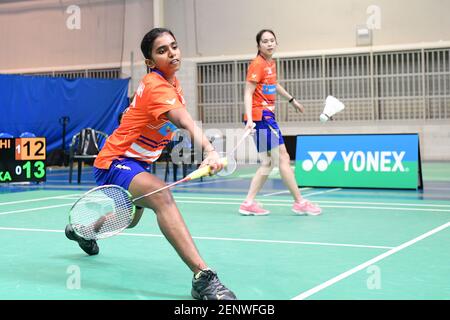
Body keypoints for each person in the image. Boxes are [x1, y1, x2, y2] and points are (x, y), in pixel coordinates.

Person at [65, 28, 237, 300]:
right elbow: (183, 120)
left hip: (137, 164)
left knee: (128, 218)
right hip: (115, 161)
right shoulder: (156, 85)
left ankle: (83, 231)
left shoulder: (172, 84)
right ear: (150, 62)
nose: (171, 52)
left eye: (174, 46)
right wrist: (210, 150)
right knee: (161, 196)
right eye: (162, 50)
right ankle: (203, 277)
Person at [239, 29, 322, 216]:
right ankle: (300, 202)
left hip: (264, 117)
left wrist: (292, 100)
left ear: (276, 43)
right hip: (262, 117)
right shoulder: (257, 64)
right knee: (283, 158)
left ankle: (248, 203)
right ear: (258, 45)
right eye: (265, 41)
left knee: (267, 162)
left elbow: (274, 85)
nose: (269, 44)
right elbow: (247, 92)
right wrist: (250, 119)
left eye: (272, 41)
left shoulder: (270, 63)